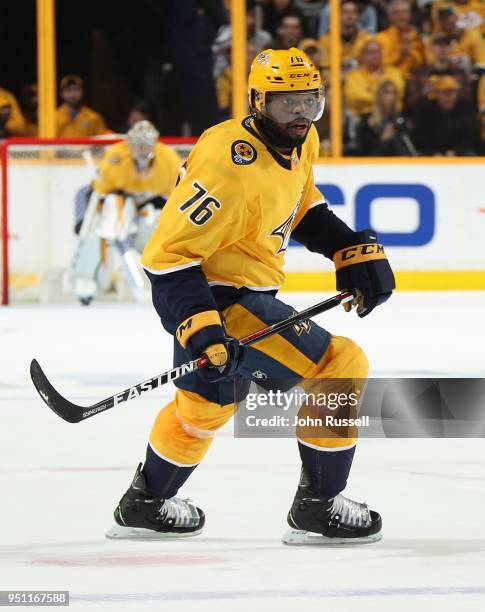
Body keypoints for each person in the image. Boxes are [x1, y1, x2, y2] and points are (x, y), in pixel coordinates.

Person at [107, 49, 395, 544]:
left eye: (311, 101)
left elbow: (302, 204)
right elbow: (166, 256)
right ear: (258, 102)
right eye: (288, 104)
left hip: (232, 302)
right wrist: (200, 325)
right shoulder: (226, 164)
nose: (301, 114)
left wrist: (347, 247)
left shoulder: (303, 141)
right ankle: (318, 506)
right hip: (221, 302)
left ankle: (146, 502)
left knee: (201, 411)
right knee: (338, 365)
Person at [65, 121, 181, 305]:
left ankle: (152, 285)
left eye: (146, 144)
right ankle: (85, 280)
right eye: (138, 144)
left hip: (148, 205)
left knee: (156, 242)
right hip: (118, 199)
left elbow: (178, 196)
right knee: (106, 231)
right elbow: (98, 192)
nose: (142, 149)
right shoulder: (116, 156)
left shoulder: (168, 159)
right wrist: (85, 219)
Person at [412, 74, 480, 154]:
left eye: (452, 92)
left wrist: (456, 151)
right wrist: (432, 153)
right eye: (444, 92)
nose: (448, 96)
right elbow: (419, 137)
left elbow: (472, 136)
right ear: (436, 93)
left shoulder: (465, 108)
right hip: (431, 155)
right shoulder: (426, 110)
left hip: (460, 154)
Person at [345, 39, 405, 116]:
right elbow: (353, 97)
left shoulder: (393, 73)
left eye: (377, 52)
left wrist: (370, 95)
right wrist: (382, 98)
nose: (374, 55)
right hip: (363, 116)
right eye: (370, 52)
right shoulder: (354, 76)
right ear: (363, 55)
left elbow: (398, 93)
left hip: (389, 115)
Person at [356, 79, 416, 155]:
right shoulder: (367, 121)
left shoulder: (400, 118)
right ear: (379, 95)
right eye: (387, 93)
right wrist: (383, 140)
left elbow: (408, 142)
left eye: (394, 93)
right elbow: (362, 151)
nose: (391, 97)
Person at [318, 0, 372, 74]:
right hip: (334, 80)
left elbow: (371, 66)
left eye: (353, 12)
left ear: (358, 16)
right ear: (338, 15)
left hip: (359, 81)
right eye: (345, 12)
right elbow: (324, 66)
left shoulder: (367, 39)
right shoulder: (326, 40)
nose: (349, 16)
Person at [375, 0, 426, 78]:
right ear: (390, 17)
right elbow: (379, 65)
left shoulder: (415, 36)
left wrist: (411, 54)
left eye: (405, 12)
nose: (401, 16)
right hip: (391, 79)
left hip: (414, 78)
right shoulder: (381, 38)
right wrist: (400, 55)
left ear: (410, 15)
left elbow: (423, 62)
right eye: (397, 13)